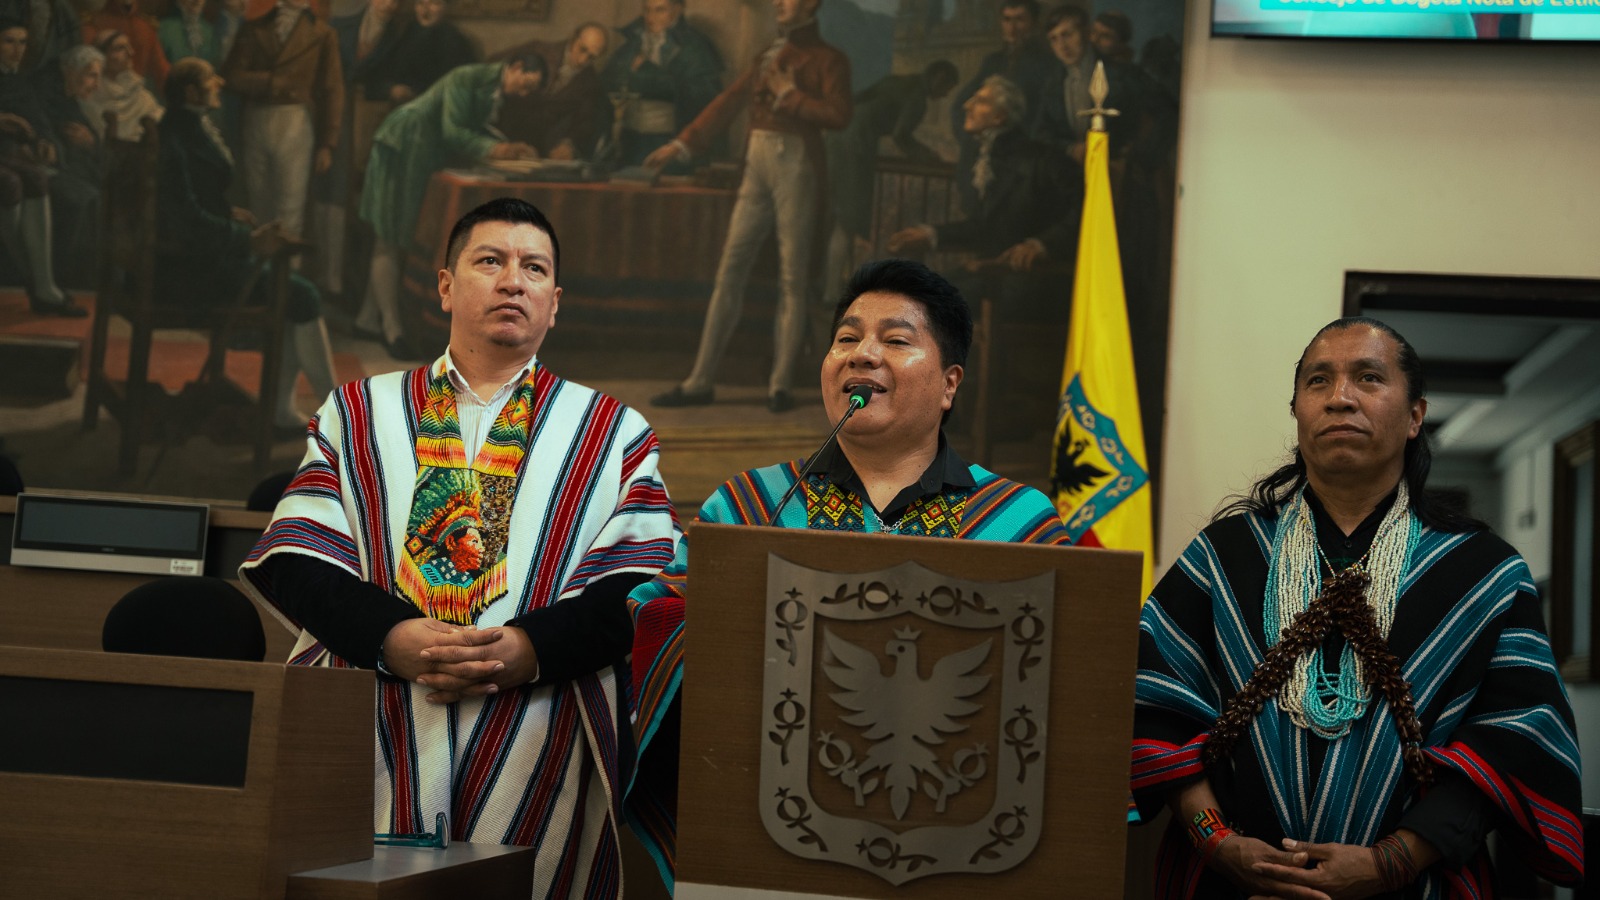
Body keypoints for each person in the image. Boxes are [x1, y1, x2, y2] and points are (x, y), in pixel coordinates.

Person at [239, 197, 680, 898]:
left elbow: (638, 589)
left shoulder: (613, 433)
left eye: (534, 268)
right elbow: (298, 559)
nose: (513, 281)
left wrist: (527, 650)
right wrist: (392, 636)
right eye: (490, 261)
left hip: (539, 728)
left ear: (554, 302)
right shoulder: (357, 410)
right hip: (371, 718)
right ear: (446, 285)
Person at [624, 258, 1071, 888]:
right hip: (768, 834)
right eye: (846, 338)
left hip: (960, 847)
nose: (863, 355)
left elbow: (1070, 683)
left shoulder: (1020, 521)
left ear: (949, 384)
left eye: (895, 339)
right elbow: (655, 615)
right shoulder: (753, 505)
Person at [1130, 317, 1583, 897]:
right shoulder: (1221, 558)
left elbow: (1516, 743)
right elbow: (1153, 715)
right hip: (1233, 885)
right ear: (1296, 411)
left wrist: (1390, 862)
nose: (1340, 397)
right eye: (1318, 381)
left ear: (1415, 415)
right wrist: (1216, 841)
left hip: (1418, 885)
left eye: (1368, 378)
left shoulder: (1484, 573)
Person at [646, 0, 850, 414]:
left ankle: (780, 384)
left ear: (811, 4)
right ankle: (700, 380)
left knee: (792, 277)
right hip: (756, 161)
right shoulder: (768, 54)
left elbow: (839, 114)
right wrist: (683, 143)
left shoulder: (830, 58)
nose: (779, 3)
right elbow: (731, 100)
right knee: (729, 270)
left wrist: (791, 97)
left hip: (797, 163)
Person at [156, 57, 338, 431]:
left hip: (201, 255)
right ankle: (344, 419)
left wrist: (228, 212)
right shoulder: (175, 137)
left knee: (295, 295)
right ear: (191, 92)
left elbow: (195, 197)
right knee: (302, 296)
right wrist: (250, 240)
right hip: (190, 269)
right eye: (210, 80)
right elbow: (186, 220)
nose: (219, 82)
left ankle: (281, 409)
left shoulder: (184, 127)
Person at [353, 52, 543, 359]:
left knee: (397, 236)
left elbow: (472, 130)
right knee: (389, 237)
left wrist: (504, 145)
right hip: (401, 145)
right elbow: (453, 131)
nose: (524, 94)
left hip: (421, 154)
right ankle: (392, 329)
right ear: (517, 67)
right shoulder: (467, 77)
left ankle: (367, 319)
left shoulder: (492, 90)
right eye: (525, 84)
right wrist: (499, 148)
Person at [222, 0, 343, 247]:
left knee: (290, 208)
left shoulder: (323, 33)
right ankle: (262, 279)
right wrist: (271, 82)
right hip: (256, 118)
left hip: (295, 122)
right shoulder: (254, 28)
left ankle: (287, 281)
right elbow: (231, 77)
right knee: (259, 204)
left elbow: (332, 90)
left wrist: (327, 143)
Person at [0, 21, 82, 315]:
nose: (16, 50)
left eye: (22, 42)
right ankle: (35, 283)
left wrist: (47, 142)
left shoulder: (19, 80)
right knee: (9, 183)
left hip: (10, 156)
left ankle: (44, 286)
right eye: (9, 41)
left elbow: (39, 120)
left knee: (35, 177)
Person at [601, 0, 723, 168]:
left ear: (678, 10)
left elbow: (705, 97)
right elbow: (607, 83)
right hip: (630, 140)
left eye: (660, 10)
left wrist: (649, 74)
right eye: (647, 10)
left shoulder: (696, 46)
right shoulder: (632, 43)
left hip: (668, 140)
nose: (651, 17)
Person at [497, 22, 607, 160]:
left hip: (537, 147)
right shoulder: (538, 49)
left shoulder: (590, 82)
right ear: (573, 38)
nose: (582, 60)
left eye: (591, 57)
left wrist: (568, 145)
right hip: (500, 130)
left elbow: (584, 122)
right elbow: (494, 69)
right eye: (582, 49)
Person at [947, 0, 1054, 140]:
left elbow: (1041, 116)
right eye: (1007, 20)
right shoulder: (993, 61)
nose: (1012, 28)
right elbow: (961, 105)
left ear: (1034, 23)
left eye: (1020, 20)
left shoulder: (1046, 63)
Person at [88, 30, 165, 141]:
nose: (131, 53)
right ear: (102, 56)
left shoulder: (136, 88)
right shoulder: (93, 92)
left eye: (129, 47)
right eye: (120, 48)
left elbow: (156, 113)